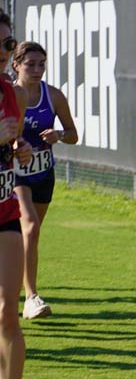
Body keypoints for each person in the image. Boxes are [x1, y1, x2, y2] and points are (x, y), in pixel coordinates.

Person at [11, 41, 78, 320]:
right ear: (16, 65)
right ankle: (31, 298)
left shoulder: (54, 96)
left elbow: (74, 134)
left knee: (29, 237)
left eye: (41, 64)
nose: (37, 70)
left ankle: (14, 287)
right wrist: (13, 146)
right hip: (14, 173)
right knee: (30, 228)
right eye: (30, 64)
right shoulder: (9, 95)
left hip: (43, 174)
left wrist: (58, 135)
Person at [0, 11, 35, 379]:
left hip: (5, 209)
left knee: (8, 310)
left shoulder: (11, 91)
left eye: (9, 44)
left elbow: (10, 149)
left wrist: (19, 150)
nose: (5, 52)